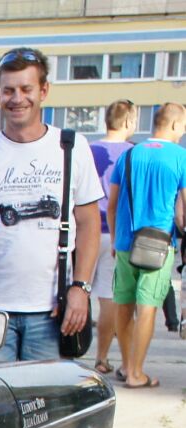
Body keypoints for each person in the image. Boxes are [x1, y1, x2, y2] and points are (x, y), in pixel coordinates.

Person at [0, 47, 101, 363]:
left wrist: (81, 289)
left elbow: (89, 225)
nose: (17, 98)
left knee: (46, 407)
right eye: (8, 90)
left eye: (26, 89)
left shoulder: (71, 148)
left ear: (43, 91)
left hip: (51, 312)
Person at [105, 102, 186, 389]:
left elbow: (112, 205)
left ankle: (126, 366)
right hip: (158, 245)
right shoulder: (181, 157)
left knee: (123, 304)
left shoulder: (128, 156)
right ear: (175, 125)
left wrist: (115, 239)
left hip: (126, 242)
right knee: (148, 306)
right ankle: (137, 373)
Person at [87, 100, 139, 374]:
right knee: (109, 297)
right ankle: (102, 358)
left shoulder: (88, 149)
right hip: (113, 232)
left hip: (85, 230)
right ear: (129, 122)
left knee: (78, 291)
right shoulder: (133, 154)